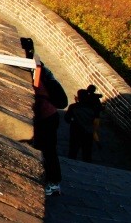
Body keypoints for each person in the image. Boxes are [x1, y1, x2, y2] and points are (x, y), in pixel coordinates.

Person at [32, 64, 66, 195]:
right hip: (50, 116)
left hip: (47, 117)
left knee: (48, 150)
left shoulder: (37, 74)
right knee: (48, 149)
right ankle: (53, 181)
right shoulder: (42, 71)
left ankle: (54, 183)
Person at [65, 86, 102, 162]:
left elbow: (67, 119)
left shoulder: (73, 107)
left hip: (75, 131)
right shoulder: (93, 108)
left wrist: (73, 120)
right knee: (87, 154)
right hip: (88, 133)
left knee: (73, 151)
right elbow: (96, 121)